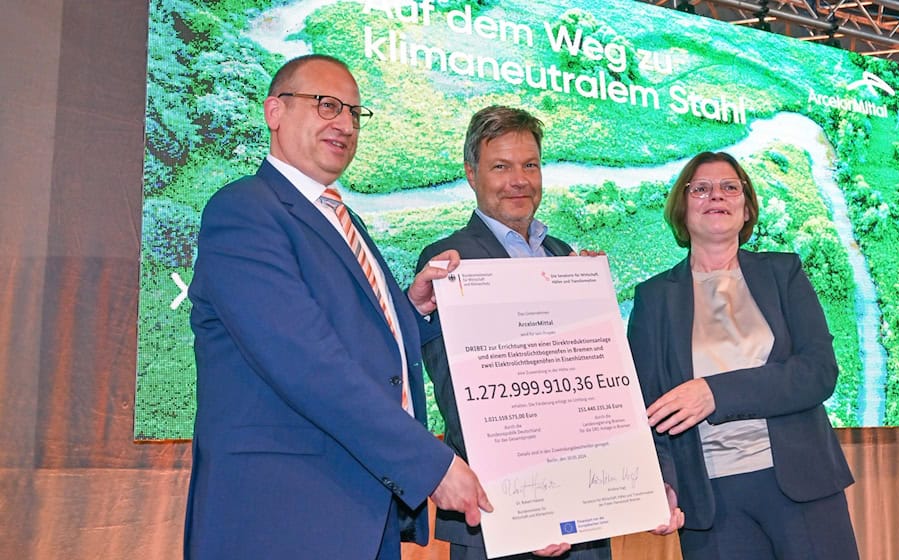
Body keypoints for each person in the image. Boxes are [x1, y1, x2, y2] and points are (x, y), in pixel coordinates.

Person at [184, 54, 491, 560]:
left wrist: (411, 311)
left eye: (354, 112)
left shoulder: (340, 218)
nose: (345, 124)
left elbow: (352, 339)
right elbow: (305, 362)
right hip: (281, 516)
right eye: (327, 105)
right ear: (274, 112)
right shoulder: (244, 211)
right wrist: (430, 465)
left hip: (359, 509)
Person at [417, 106, 681, 560]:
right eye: (501, 166)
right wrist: (531, 510)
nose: (518, 180)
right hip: (503, 520)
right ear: (471, 174)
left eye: (530, 165)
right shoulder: (449, 258)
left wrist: (648, 479)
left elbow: (604, 386)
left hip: (586, 516)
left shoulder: (567, 258)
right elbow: (460, 394)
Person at [627, 151, 859, 560]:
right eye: (700, 188)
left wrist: (715, 393)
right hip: (711, 502)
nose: (716, 195)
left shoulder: (783, 272)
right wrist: (658, 482)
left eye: (729, 187)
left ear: (747, 206)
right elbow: (648, 407)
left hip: (803, 486)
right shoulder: (653, 297)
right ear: (682, 207)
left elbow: (819, 372)